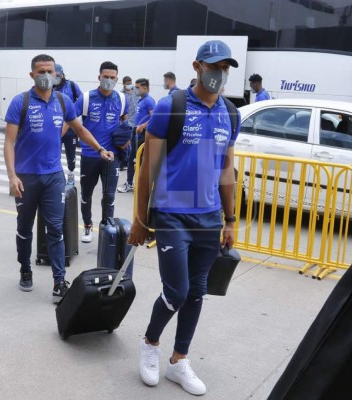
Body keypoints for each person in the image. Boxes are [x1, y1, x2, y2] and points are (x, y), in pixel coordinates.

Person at [129, 39, 241, 396]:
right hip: (173, 212)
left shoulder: (230, 113)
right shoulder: (170, 107)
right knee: (177, 290)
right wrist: (140, 219)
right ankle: (150, 343)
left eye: (225, 68)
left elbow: (227, 170)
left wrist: (230, 219)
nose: (219, 74)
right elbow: (149, 169)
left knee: (197, 292)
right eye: (214, 66)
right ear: (197, 67)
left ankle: (179, 361)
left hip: (208, 217)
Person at [3, 54, 113, 302]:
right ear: (32, 74)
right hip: (26, 177)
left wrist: (99, 149)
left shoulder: (63, 101)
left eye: (50, 71)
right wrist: (12, 176)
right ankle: (25, 270)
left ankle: (58, 281)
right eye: (41, 71)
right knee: (24, 229)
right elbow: (9, 142)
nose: (46, 75)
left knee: (56, 229)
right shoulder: (19, 102)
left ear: (57, 74)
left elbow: (80, 129)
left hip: (53, 177)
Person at [75, 61, 128, 244]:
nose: (109, 80)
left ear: (117, 79)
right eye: (105, 77)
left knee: (109, 196)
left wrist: (125, 141)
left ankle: (107, 230)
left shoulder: (122, 99)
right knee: (86, 194)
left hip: (110, 157)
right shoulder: (86, 98)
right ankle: (88, 227)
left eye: (112, 78)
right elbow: (71, 121)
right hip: (90, 156)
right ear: (99, 77)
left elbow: (125, 122)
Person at [117, 78, 155, 193]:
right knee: (133, 160)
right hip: (136, 133)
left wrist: (143, 125)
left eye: (137, 87)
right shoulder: (141, 100)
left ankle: (137, 185)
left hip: (142, 134)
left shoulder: (149, 100)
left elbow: (154, 117)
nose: (135, 89)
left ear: (145, 88)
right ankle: (130, 183)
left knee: (138, 160)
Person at [54, 64, 82, 185]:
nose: (55, 78)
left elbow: (81, 99)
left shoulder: (71, 85)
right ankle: (58, 177)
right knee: (55, 154)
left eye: (58, 75)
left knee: (71, 156)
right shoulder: (49, 88)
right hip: (55, 127)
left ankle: (71, 174)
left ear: (62, 74)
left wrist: (73, 113)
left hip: (70, 128)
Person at [120, 75, 140, 171]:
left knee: (135, 142)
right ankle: (125, 161)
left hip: (137, 121)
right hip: (127, 121)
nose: (129, 85)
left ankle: (133, 160)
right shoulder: (121, 94)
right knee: (127, 142)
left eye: (130, 83)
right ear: (124, 84)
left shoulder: (136, 91)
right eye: (128, 84)